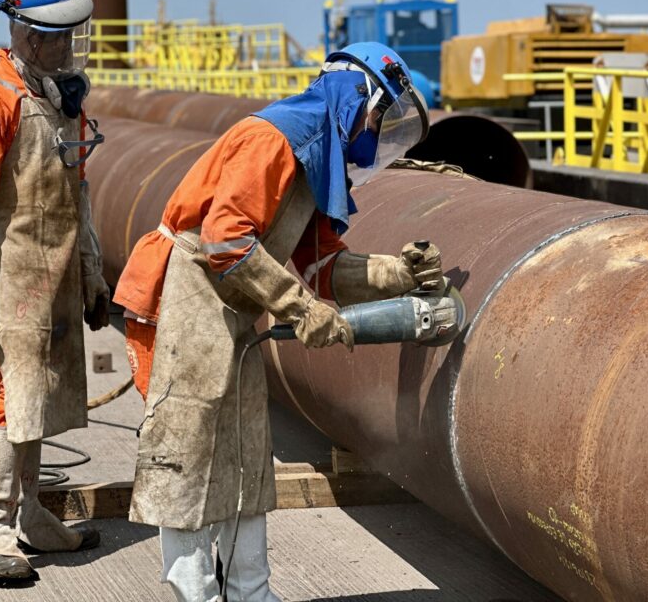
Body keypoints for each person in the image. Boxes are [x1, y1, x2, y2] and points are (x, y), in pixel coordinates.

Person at [115, 42, 445, 601]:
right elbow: (224, 239)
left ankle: (251, 591)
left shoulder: (317, 154)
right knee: (191, 450)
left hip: (233, 306)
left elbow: (321, 264)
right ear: (353, 98)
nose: (374, 135)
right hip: (193, 299)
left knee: (245, 449)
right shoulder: (274, 138)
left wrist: (398, 273)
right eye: (378, 119)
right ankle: (192, 590)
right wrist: (300, 309)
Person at [0, 0, 110, 580]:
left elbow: (80, 191)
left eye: (74, 33)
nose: (70, 45)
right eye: (58, 35)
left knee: (41, 398)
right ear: (27, 34)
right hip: (10, 271)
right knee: (14, 400)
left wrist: (92, 272)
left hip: (58, 267)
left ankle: (32, 515)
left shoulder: (63, 98)